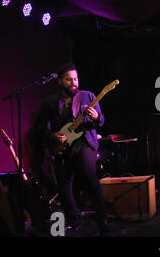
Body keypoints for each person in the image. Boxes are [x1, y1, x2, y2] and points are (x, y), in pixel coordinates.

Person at [34, 63, 109, 236]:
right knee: (62, 186)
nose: (73, 82)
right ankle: (73, 219)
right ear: (60, 81)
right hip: (62, 148)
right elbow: (39, 128)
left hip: (85, 143)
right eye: (68, 79)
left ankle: (102, 219)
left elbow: (102, 121)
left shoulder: (88, 96)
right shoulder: (50, 102)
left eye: (75, 79)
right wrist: (53, 136)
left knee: (89, 177)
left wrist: (97, 116)